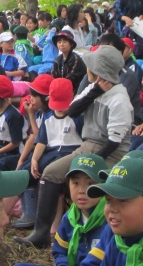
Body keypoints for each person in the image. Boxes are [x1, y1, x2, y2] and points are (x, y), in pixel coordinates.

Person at [20, 46, 133, 248]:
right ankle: (41, 232)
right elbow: (72, 110)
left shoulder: (119, 100)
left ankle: (88, 233)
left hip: (111, 152)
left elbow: (115, 141)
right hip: (87, 146)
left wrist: (91, 164)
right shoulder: (94, 87)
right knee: (50, 173)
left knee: (83, 178)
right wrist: (95, 91)